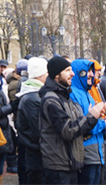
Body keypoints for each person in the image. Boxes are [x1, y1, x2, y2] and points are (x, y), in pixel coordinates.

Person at [39, 56, 105, 184]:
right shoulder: (51, 100)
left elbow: (79, 123)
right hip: (58, 165)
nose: (72, 73)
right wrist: (93, 115)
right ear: (57, 75)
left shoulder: (65, 96)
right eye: (68, 70)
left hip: (70, 162)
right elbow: (68, 130)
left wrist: (95, 116)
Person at [69, 59, 105, 184]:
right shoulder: (73, 94)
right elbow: (85, 125)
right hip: (87, 153)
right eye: (87, 71)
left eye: (92, 71)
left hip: (97, 152)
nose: (91, 74)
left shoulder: (87, 93)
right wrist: (102, 122)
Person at [16, 57, 48, 184]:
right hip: (36, 154)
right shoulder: (31, 98)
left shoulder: (35, 94)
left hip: (38, 152)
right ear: (39, 75)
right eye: (46, 73)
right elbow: (39, 129)